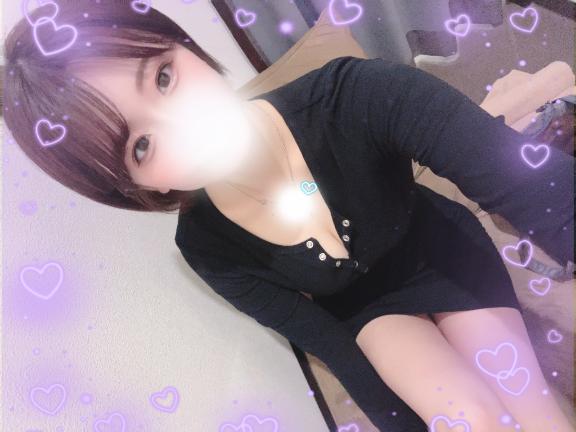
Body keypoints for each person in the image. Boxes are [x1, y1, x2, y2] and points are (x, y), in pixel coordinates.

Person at [3, 1, 574, 431]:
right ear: (134, 187)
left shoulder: (356, 96)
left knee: (535, 411)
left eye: (163, 77)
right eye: (142, 146)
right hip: (368, 312)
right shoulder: (206, 247)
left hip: (439, 252)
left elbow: (532, 190)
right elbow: (329, 342)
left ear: (187, 48)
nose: (186, 126)